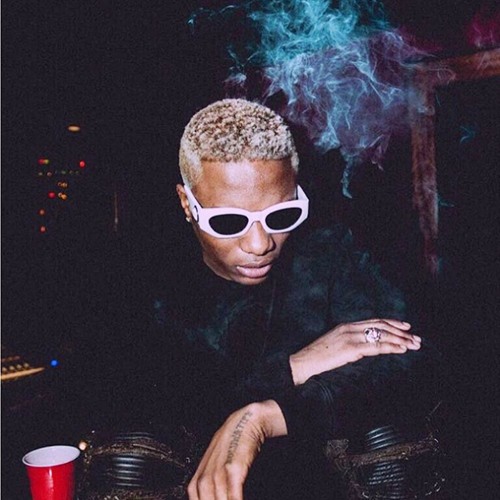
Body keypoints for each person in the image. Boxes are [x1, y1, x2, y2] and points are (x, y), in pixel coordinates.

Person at [146, 98, 440, 500]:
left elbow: (410, 361)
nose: (260, 244)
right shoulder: (153, 280)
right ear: (187, 204)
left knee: (385, 436)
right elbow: (162, 402)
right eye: (228, 221)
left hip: (322, 482)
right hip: (198, 482)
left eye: (281, 215)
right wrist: (295, 367)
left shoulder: (331, 251)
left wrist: (264, 417)